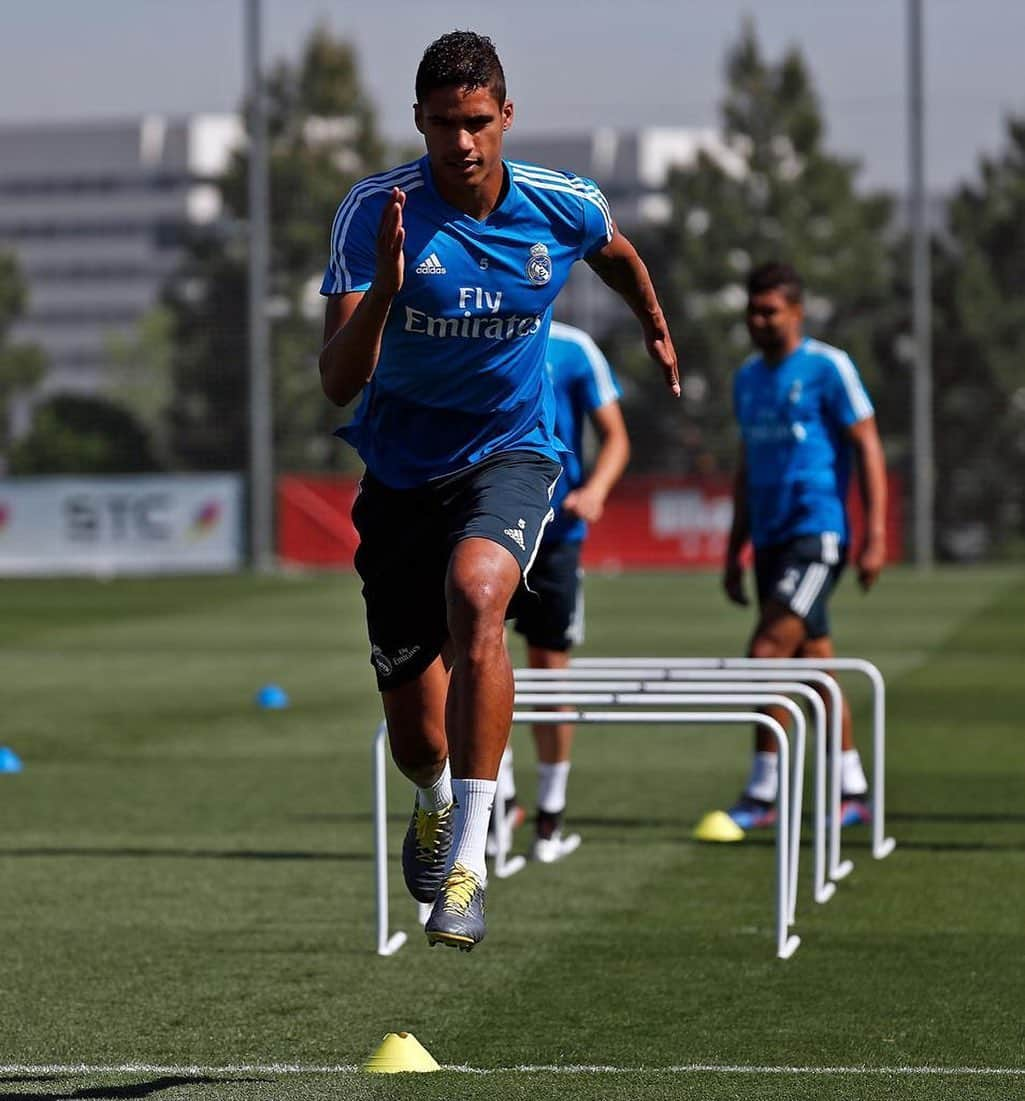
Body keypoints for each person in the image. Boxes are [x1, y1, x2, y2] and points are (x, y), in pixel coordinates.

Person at [318, 31, 678, 951]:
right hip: (398, 475)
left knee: (481, 597)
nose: (463, 142)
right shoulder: (373, 212)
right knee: (416, 736)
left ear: (506, 115)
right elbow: (335, 380)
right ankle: (434, 803)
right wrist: (389, 292)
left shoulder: (561, 204)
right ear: (419, 122)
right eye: (444, 124)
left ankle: (472, 864)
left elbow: (618, 253)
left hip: (510, 454)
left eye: (478, 121)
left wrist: (653, 324)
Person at [719, 261, 887, 831]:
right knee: (815, 665)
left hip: (816, 534)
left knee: (767, 654)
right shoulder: (746, 377)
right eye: (753, 310)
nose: (760, 320)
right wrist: (733, 546)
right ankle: (852, 789)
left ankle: (762, 794)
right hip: (768, 537)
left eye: (771, 310)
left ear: (797, 311)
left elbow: (867, 446)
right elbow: (746, 464)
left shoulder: (828, 367)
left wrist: (876, 536)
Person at [498, 320, 630, 863]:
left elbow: (617, 437)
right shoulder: (481, 325)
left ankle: (550, 815)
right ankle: (496, 800)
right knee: (478, 661)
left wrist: (595, 490)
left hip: (557, 535)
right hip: (492, 527)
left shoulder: (575, 349)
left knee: (550, 669)